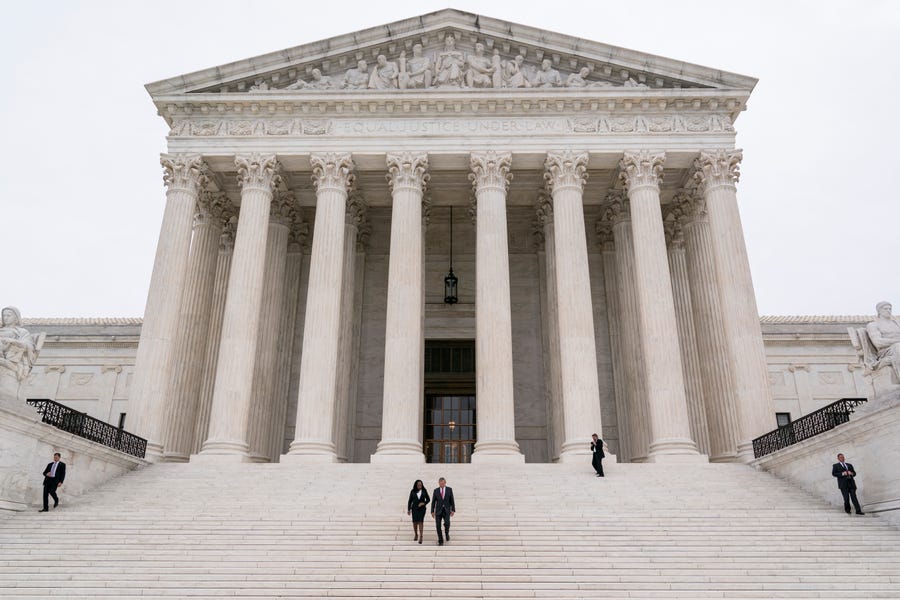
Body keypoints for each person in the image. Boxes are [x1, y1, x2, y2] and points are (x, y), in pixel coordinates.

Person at [866, 301, 900, 381]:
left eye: (890, 309)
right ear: (879, 311)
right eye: (886, 309)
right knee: (898, 346)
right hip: (885, 351)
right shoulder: (873, 325)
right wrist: (897, 340)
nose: (889, 311)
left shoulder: (897, 324)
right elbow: (878, 342)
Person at [431, 477, 455, 546]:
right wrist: (432, 511)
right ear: (439, 483)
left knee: (447, 523)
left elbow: (452, 500)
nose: (441, 484)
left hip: (446, 510)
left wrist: (453, 509)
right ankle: (440, 540)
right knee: (438, 526)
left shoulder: (449, 490)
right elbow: (433, 502)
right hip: (438, 511)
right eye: (440, 483)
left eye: (443, 483)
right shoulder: (436, 491)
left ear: (445, 483)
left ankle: (447, 533)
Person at [406, 479, 430, 544]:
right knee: (414, 522)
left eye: (421, 484)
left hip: (422, 509)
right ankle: (416, 534)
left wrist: (423, 503)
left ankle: (421, 536)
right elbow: (410, 501)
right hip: (414, 509)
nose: (420, 485)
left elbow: (428, 499)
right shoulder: (413, 491)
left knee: (420, 521)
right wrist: (409, 509)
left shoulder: (424, 491)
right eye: (418, 485)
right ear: (416, 485)